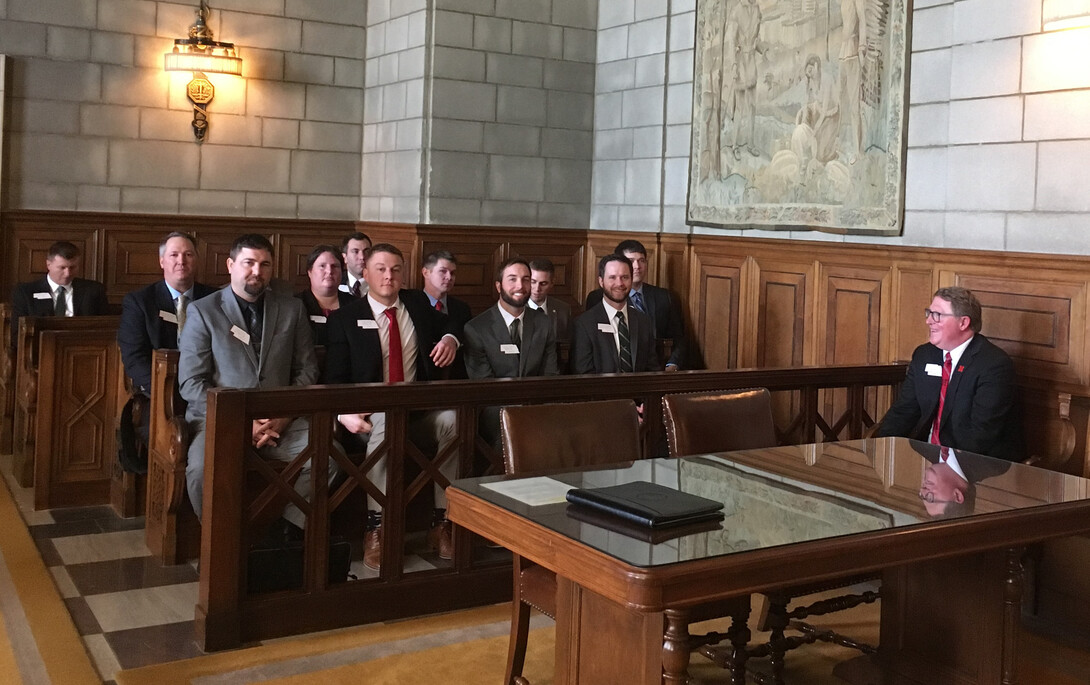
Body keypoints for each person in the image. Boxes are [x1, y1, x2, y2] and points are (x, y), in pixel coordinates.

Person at [178, 234, 335, 538]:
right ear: (230, 265)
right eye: (248, 263)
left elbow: (306, 370)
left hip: (280, 421)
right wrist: (240, 421)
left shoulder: (291, 309)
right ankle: (219, 544)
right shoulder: (203, 311)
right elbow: (191, 383)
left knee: (328, 460)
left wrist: (282, 416)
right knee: (199, 472)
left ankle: (283, 532)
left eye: (264, 265)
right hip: (221, 422)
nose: (256, 271)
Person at [323, 244, 461, 569]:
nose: (389, 275)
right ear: (365, 274)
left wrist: (450, 339)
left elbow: (453, 323)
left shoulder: (416, 304)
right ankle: (377, 526)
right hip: (368, 421)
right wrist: (343, 415)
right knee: (385, 417)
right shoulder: (345, 318)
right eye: (381, 269)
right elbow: (333, 379)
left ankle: (442, 522)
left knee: (454, 421)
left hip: (416, 415)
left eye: (396, 269)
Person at [876, 287, 1023, 461]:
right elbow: (904, 411)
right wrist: (879, 451)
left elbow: (982, 435)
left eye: (937, 315)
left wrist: (947, 467)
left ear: (963, 323)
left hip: (974, 465)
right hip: (924, 457)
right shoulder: (925, 355)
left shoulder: (993, 365)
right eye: (929, 313)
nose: (929, 321)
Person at [116, 232, 215, 466]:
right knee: (168, 440)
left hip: (207, 391)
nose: (181, 261)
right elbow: (134, 357)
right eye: (174, 255)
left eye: (188, 254)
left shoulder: (214, 298)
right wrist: (170, 391)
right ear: (162, 261)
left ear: (197, 260)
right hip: (160, 393)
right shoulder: (139, 301)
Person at [465, 259, 559, 449]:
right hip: (494, 412)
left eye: (526, 280)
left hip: (537, 408)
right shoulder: (477, 328)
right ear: (498, 286)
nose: (520, 286)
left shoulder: (544, 323)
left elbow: (550, 377)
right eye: (512, 279)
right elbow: (484, 387)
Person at [584, 240, 686, 369]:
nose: (637, 266)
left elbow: (678, 337)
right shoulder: (598, 297)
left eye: (642, 261)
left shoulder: (664, 297)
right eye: (631, 261)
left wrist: (672, 364)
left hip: (657, 367)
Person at [11, 240, 109, 351]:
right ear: (48, 264)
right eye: (62, 268)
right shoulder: (26, 292)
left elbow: (105, 329)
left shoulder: (94, 290)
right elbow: (17, 335)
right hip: (41, 351)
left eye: (72, 267)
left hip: (84, 352)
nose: (67, 274)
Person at [572, 254, 661, 375]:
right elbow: (583, 373)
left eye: (625, 277)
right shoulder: (584, 324)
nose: (619, 283)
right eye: (612, 277)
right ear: (601, 281)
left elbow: (652, 369)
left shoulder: (643, 321)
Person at [296, 244, 354, 346]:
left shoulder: (355, 305)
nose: (329, 271)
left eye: (334, 266)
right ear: (310, 272)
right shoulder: (295, 304)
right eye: (322, 266)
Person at [527, 257, 572, 342]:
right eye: (533, 282)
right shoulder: (515, 308)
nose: (537, 288)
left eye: (543, 283)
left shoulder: (563, 310)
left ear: (552, 283)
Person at [339, 231, 372, 298]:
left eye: (366, 251)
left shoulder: (380, 283)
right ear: (345, 257)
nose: (362, 257)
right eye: (355, 252)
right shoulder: (336, 283)